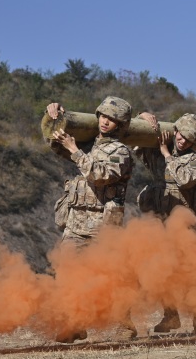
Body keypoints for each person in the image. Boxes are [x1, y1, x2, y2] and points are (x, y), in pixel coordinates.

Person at [48, 96, 137, 342]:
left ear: (121, 125)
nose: (106, 122)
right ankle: (75, 323)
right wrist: (55, 117)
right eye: (104, 116)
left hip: (103, 225)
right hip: (76, 223)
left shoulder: (121, 152)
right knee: (68, 274)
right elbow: (55, 145)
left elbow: (100, 175)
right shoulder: (89, 144)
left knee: (111, 275)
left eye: (113, 119)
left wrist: (75, 150)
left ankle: (124, 325)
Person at [135, 111, 196, 334]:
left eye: (189, 138)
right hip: (161, 223)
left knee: (191, 274)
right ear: (175, 130)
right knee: (162, 271)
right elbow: (136, 144)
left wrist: (167, 155)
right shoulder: (158, 148)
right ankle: (170, 317)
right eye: (180, 134)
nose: (182, 139)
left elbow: (184, 180)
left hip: (186, 226)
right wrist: (143, 116)